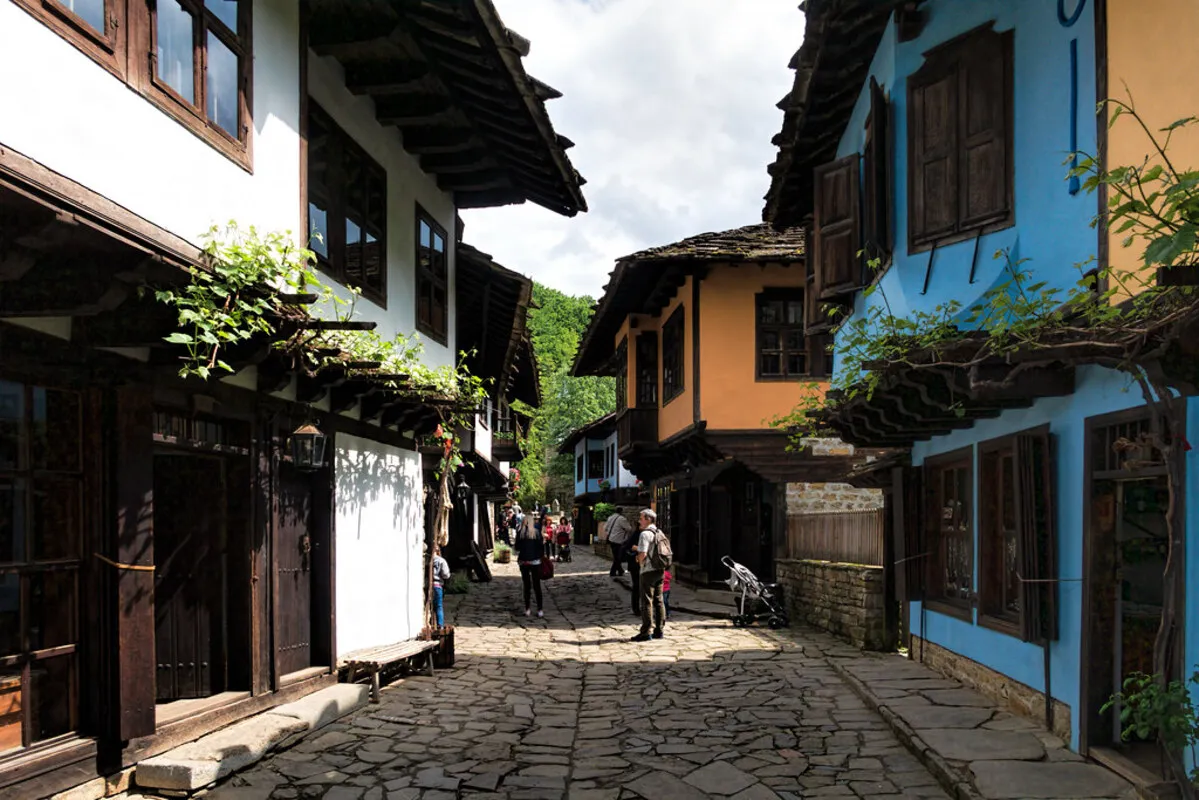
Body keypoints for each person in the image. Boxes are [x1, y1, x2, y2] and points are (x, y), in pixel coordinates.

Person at [631, 509, 668, 642]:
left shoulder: (645, 534)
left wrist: (639, 562)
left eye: (641, 518)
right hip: (660, 570)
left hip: (648, 571)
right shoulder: (659, 532)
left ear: (648, 519)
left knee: (646, 601)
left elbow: (643, 553)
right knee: (659, 600)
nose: (639, 521)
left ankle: (646, 631)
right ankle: (659, 629)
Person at [514, 513, 544, 618]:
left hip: (524, 561)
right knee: (537, 586)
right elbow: (541, 547)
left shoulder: (520, 533)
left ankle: (527, 609)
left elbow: (517, 548)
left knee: (526, 586)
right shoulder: (536, 533)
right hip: (535, 561)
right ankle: (540, 610)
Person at [605, 507, 633, 578]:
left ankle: (620, 570)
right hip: (619, 540)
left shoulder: (610, 518)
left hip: (611, 539)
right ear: (621, 512)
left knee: (616, 556)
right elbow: (629, 528)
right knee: (618, 557)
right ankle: (613, 572)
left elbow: (605, 528)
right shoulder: (622, 519)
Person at [431, 546, 451, 628]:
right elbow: (446, 575)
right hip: (437, 585)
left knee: (430, 606)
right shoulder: (441, 561)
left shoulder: (428, 560)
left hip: (428, 585)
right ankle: (440, 625)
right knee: (439, 606)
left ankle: (432, 623)